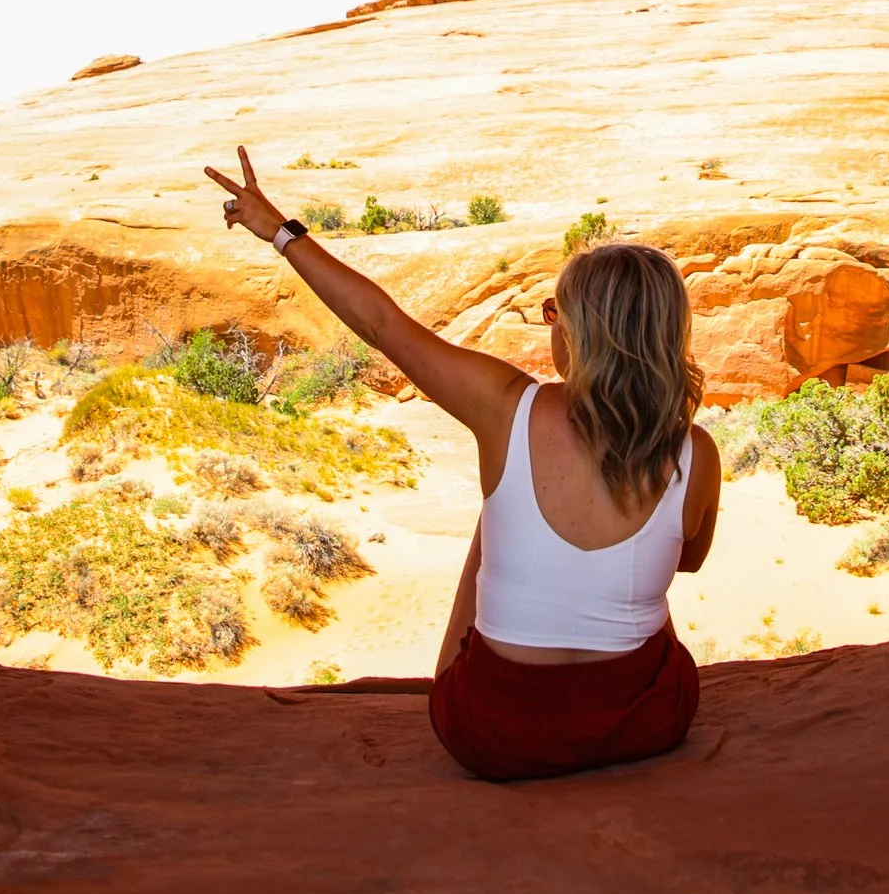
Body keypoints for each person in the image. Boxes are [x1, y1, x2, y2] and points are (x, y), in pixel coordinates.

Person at [206, 147, 720, 780]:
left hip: (495, 734)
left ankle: (444, 677)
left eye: (554, 313)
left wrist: (282, 233)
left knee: (498, 515)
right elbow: (688, 559)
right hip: (643, 724)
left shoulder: (507, 408)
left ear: (581, 332)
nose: (548, 325)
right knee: (633, 602)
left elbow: (381, 323)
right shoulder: (697, 452)